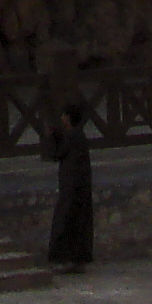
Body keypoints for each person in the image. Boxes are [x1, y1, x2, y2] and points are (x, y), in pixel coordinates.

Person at [43, 96, 95, 268]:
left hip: (72, 188)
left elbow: (58, 153)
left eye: (64, 116)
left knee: (68, 223)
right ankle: (75, 260)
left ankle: (68, 260)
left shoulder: (73, 136)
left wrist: (52, 137)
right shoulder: (77, 136)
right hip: (76, 187)